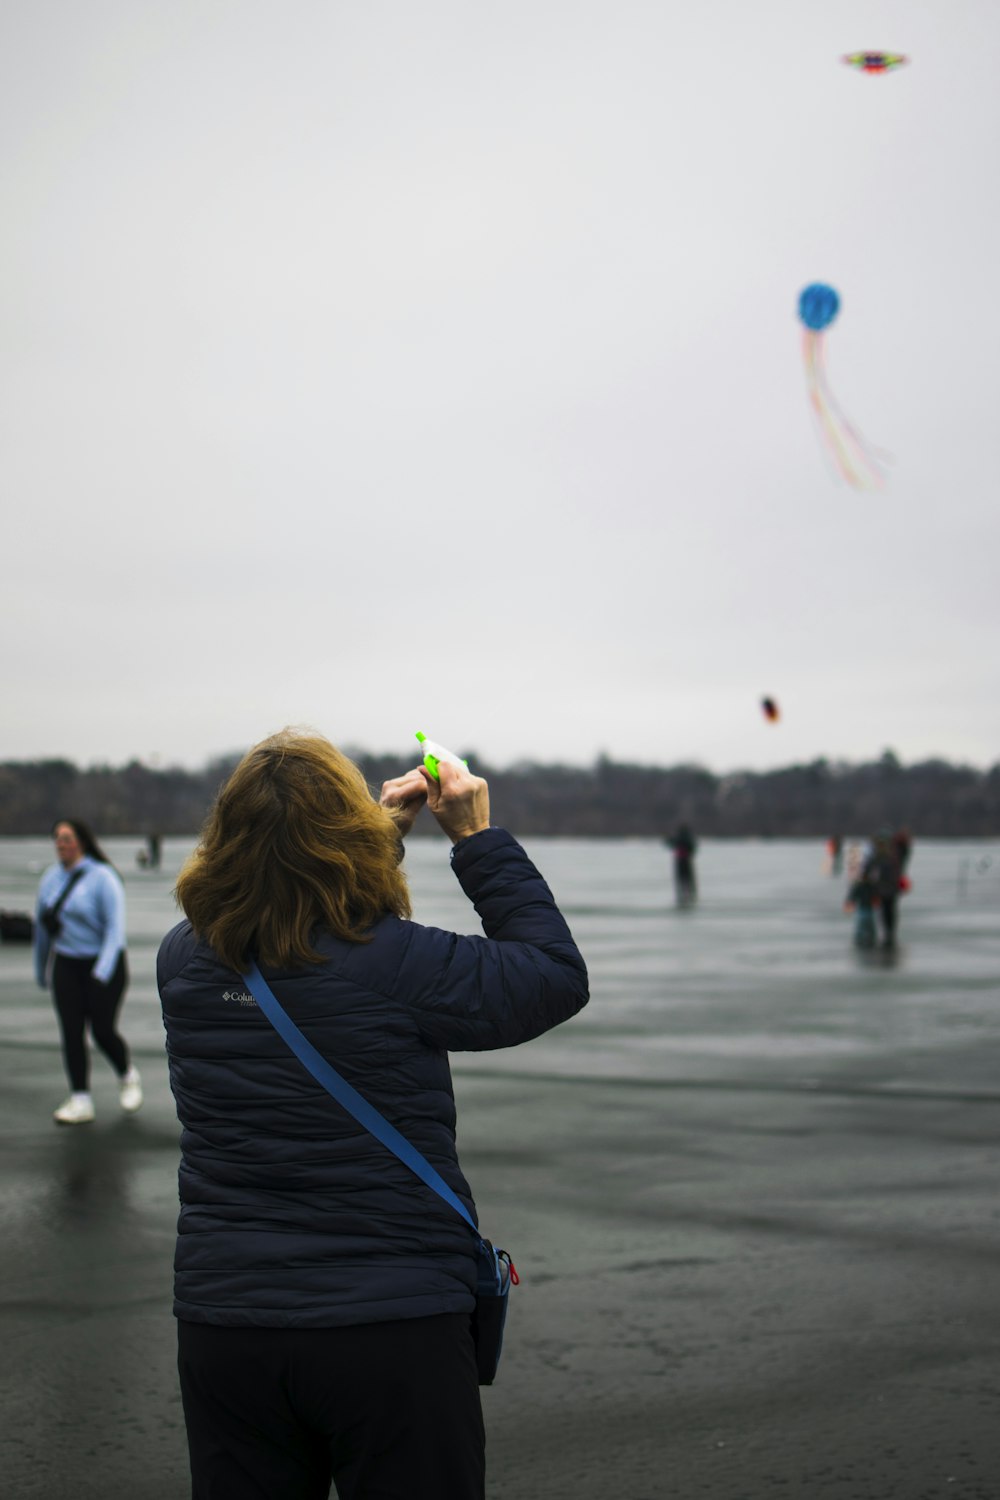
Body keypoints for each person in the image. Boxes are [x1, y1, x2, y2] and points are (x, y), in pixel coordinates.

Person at [157, 730, 589, 1500]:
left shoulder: (184, 964)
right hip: (391, 1330)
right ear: (343, 838)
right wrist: (477, 840)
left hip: (227, 1327)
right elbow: (552, 977)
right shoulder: (397, 965)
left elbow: (302, 937)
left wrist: (372, 843)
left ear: (224, 833)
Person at [35, 819, 142, 1125]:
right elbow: (43, 929)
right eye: (56, 838)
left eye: (66, 838)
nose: (61, 844)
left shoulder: (103, 877)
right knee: (71, 1032)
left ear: (81, 840)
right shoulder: (50, 878)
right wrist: (41, 967)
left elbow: (114, 931)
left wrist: (102, 972)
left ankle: (127, 1075)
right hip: (66, 964)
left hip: (103, 966)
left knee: (102, 1031)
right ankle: (80, 1098)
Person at [862, 829, 903, 949]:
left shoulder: (883, 857)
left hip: (885, 888)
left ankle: (888, 933)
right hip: (887, 888)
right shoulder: (890, 856)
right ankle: (889, 932)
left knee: (887, 911)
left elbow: (868, 870)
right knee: (889, 911)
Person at [666, 823, 698, 904]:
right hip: (686, 860)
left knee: (681, 879)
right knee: (688, 879)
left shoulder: (680, 838)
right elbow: (693, 849)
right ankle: (690, 893)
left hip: (680, 861)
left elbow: (670, 843)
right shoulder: (688, 838)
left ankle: (683, 894)